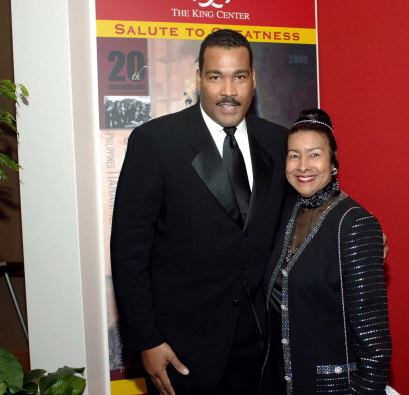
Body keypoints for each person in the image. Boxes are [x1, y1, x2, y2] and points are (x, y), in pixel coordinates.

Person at [111, 29, 289, 394]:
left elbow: (307, 201)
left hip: (259, 348)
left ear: (254, 78)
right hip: (180, 351)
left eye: (239, 76)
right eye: (215, 77)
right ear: (198, 80)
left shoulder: (278, 140)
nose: (228, 90)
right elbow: (129, 252)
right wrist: (147, 341)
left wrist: (355, 233)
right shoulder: (155, 142)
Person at [262, 109, 392, 394]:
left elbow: (373, 339)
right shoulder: (286, 212)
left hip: (333, 386)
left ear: (333, 161)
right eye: (294, 155)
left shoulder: (355, 223)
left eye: (314, 154)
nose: (303, 166)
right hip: (279, 382)